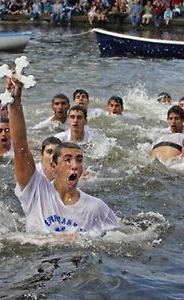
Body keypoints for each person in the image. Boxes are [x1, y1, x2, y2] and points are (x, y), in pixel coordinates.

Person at [8, 75, 118, 236]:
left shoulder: (96, 208)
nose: (74, 165)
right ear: (53, 166)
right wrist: (15, 100)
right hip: (36, 260)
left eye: (79, 160)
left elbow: (124, 238)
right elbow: (20, 146)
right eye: (67, 160)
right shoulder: (36, 190)